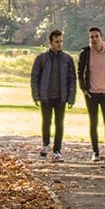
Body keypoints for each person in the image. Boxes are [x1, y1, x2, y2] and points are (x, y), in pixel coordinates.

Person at [32, 30, 77, 161]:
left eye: (61, 41)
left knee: (59, 123)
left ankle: (57, 150)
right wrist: (36, 96)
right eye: (57, 41)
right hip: (45, 96)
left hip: (61, 97)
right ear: (50, 42)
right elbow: (35, 77)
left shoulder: (67, 59)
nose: (59, 44)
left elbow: (72, 79)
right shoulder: (41, 58)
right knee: (46, 122)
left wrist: (71, 98)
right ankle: (46, 145)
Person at [78, 27, 105, 161]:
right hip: (91, 94)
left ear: (101, 37)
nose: (94, 39)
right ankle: (95, 152)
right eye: (91, 37)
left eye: (96, 36)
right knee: (93, 122)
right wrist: (84, 88)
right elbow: (80, 72)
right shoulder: (85, 53)